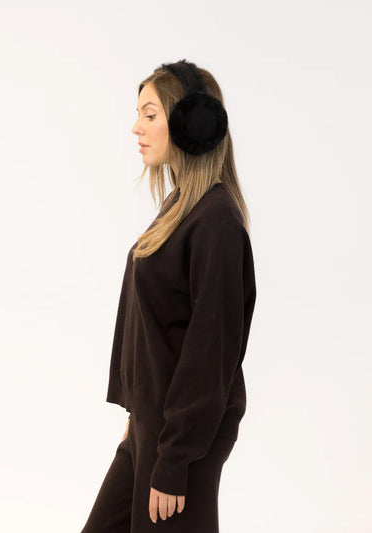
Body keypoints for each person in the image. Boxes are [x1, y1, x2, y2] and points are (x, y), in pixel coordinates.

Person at [79, 59, 257, 533]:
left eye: (150, 114)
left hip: (183, 441)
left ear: (189, 123)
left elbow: (210, 351)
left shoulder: (215, 222)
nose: (136, 127)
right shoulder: (181, 207)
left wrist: (175, 457)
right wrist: (138, 415)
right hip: (152, 427)